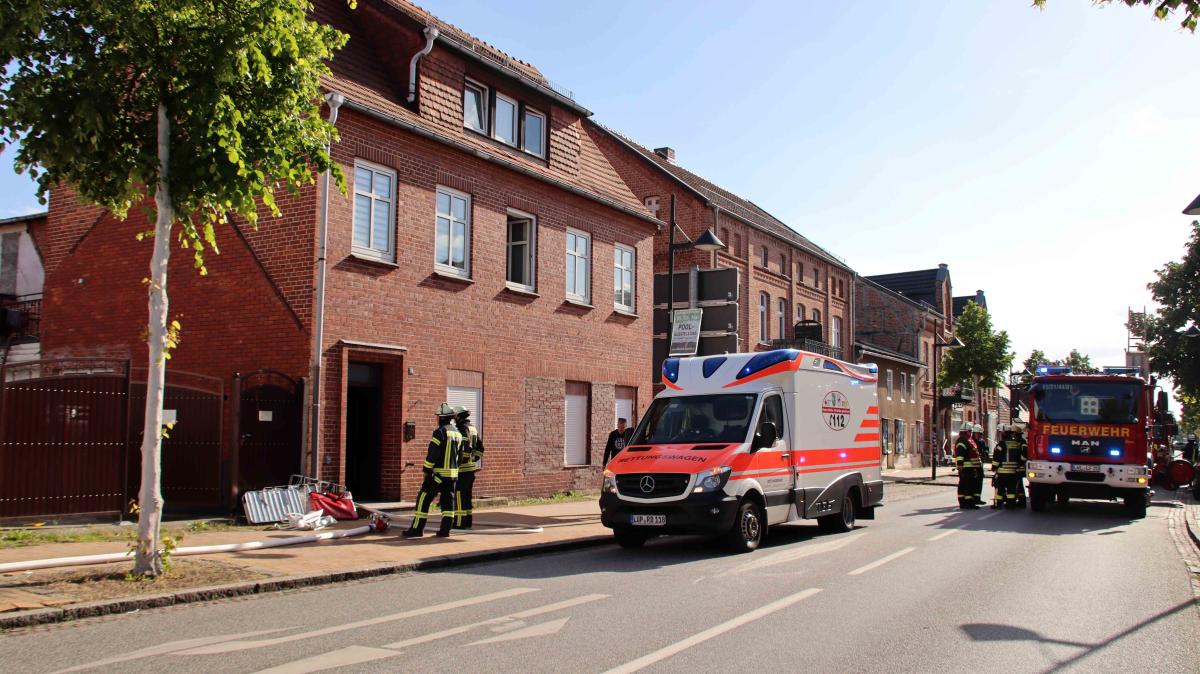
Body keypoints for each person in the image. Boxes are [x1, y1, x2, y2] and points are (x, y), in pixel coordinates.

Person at [402, 403, 462, 538]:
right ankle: (445, 530)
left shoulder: (440, 432)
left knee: (423, 499)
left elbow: (433, 453)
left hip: (438, 475)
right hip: (452, 476)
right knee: (448, 503)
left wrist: (427, 470)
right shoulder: (457, 433)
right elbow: (460, 455)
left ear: (441, 417)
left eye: (437, 417)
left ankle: (417, 529)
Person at [453, 405, 484, 530]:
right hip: (470, 469)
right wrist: (474, 459)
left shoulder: (461, 428)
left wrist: (460, 462)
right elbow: (480, 448)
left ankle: (460, 523)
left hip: (463, 469)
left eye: (455, 416)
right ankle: (468, 521)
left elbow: (466, 447)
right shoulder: (472, 428)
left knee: (460, 495)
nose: (454, 418)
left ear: (459, 416)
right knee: (467, 495)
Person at [991, 425, 1023, 509]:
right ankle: (1011, 504)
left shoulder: (1002, 444)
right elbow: (1020, 457)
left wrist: (994, 467)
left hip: (1002, 472)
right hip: (1013, 472)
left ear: (1004, 433)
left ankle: (998, 504)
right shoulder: (1016, 443)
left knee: (1000, 489)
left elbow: (996, 457)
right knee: (1011, 490)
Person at [955, 427, 983, 509]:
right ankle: (967, 503)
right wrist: (960, 465)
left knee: (967, 485)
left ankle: (966, 503)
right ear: (966, 431)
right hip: (966, 467)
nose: (971, 433)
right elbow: (960, 454)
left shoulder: (967, 440)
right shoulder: (962, 441)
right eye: (970, 431)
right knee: (967, 485)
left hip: (970, 467)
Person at [1011, 423, 1029, 507]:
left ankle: (1022, 502)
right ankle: (1020, 501)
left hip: (1020, 467)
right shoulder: (1016, 441)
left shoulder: (1022, 442)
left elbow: (1024, 455)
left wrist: (1019, 462)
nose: (1013, 435)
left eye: (1014, 433)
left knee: (1019, 484)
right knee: (1018, 484)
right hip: (1016, 467)